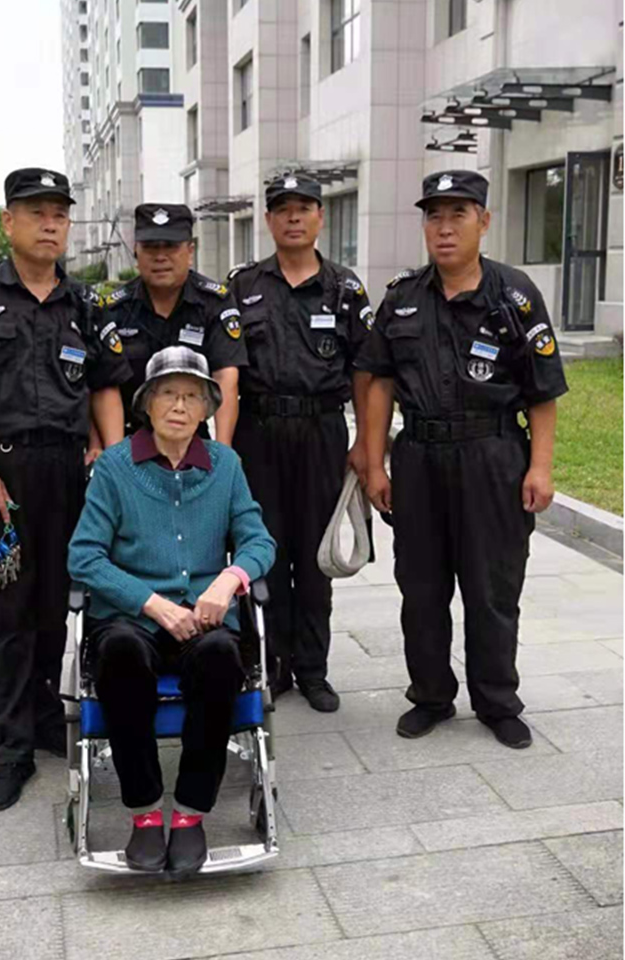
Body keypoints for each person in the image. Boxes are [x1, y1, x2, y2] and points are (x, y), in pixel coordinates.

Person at [0, 167, 132, 811]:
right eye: (36, 212)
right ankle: (8, 752)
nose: (49, 224)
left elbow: (106, 387)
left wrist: (109, 454)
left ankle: (41, 719)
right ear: (9, 221)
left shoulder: (86, 306)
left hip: (67, 477)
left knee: (54, 606)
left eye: (59, 214)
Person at [361, 169, 568, 749]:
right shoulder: (402, 298)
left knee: (492, 587)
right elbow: (378, 383)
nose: (445, 228)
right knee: (421, 587)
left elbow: (543, 391)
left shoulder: (514, 295)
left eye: (458, 215)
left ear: (484, 221)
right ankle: (430, 696)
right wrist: (375, 464)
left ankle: (497, 701)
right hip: (420, 457)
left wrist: (540, 467)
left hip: (492, 457)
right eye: (434, 216)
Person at [68, 346, 276, 876]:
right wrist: (153, 603)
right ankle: (142, 812)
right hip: (131, 617)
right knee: (119, 652)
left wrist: (229, 580)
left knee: (221, 658)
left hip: (204, 620)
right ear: (146, 403)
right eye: (167, 394)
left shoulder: (225, 466)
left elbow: (258, 540)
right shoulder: (115, 467)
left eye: (191, 396)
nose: (179, 406)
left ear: (207, 408)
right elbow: (84, 556)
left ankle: (189, 813)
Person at [228, 173, 374, 713]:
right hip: (259, 432)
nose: (293, 217)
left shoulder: (344, 289)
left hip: (320, 432)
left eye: (304, 207)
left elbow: (366, 371)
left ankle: (313, 670)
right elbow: (227, 373)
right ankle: (273, 665)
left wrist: (366, 444)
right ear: (268, 220)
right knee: (264, 551)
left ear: (320, 216)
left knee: (315, 556)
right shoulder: (242, 286)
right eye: (283, 209)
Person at [104, 203, 247, 445]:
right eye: (150, 246)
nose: (160, 257)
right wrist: (114, 456)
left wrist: (223, 453)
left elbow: (225, 377)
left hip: (194, 442)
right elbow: (106, 385)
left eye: (170, 246)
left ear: (190, 251)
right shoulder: (115, 309)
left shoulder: (214, 303)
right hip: (130, 440)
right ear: (136, 251)